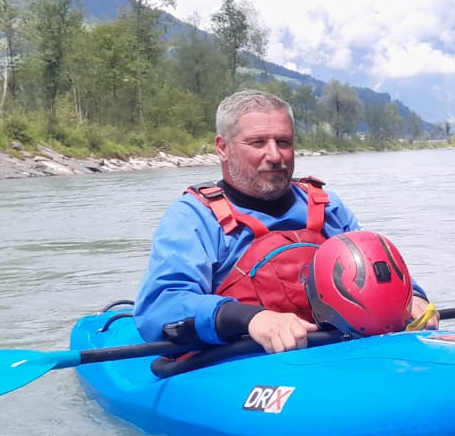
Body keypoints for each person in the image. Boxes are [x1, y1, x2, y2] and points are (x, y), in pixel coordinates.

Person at [134, 89, 435, 354]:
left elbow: (375, 267)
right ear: (223, 148)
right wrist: (251, 318)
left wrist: (412, 297)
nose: (275, 155)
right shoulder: (193, 217)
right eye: (257, 142)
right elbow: (160, 307)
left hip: (334, 351)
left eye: (283, 142)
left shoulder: (328, 206)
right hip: (243, 361)